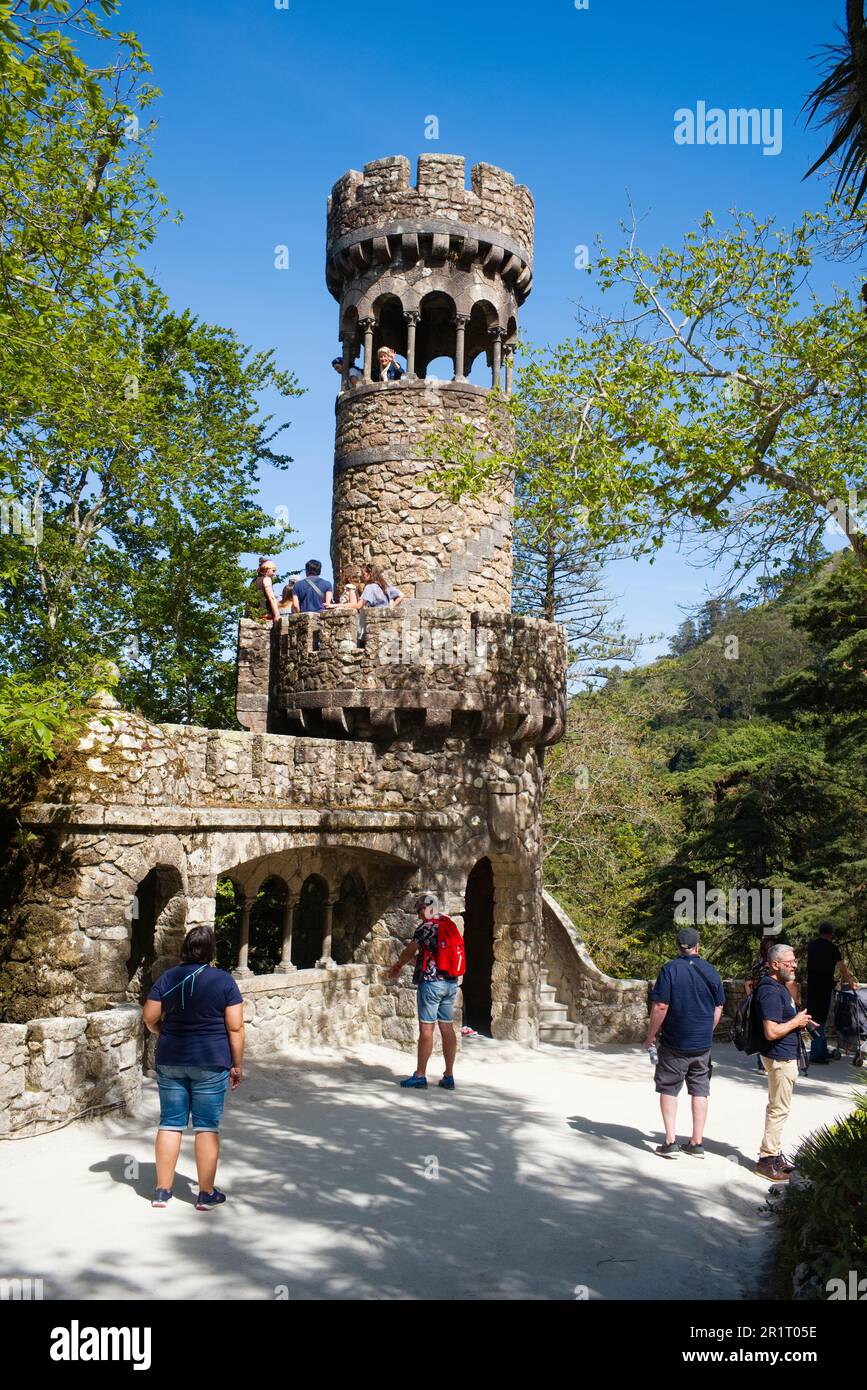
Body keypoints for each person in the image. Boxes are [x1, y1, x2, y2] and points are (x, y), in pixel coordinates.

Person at [142, 926, 245, 1211]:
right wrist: (237, 1064)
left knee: (170, 1123)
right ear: (211, 950)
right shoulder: (224, 981)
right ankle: (205, 1194)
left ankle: (162, 1191)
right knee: (206, 1127)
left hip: (171, 1058)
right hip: (211, 1060)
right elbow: (235, 1027)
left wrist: (162, 1030)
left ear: (185, 948)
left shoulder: (168, 977)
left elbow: (149, 1017)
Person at [644, 926, 725, 1159]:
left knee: (669, 1087)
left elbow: (661, 1006)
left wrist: (650, 1036)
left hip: (674, 1042)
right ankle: (697, 1142)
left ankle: (670, 1142)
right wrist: (706, 1031)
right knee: (700, 1090)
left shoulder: (669, 970)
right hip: (702, 1045)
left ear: (678, 947)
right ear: (698, 946)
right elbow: (718, 1007)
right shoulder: (711, 971)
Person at [387, 893, 464, 1090]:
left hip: (431, 984)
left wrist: (398, 965)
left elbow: (409, 951)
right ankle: (448, 1076)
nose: (419, 916)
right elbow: (433, 954)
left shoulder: (426, 928)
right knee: (447, 1027)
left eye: (419, 911)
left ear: (425, 909)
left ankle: (420, 1075)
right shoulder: (448, 924)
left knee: (427, 1029)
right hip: (450, 983)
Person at [753, 943, 813, 1182]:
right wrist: (796, 1021)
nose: (795, 965)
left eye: (795, 960)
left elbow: (781, 1021)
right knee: (778, 1110)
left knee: (778, 1108)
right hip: (780, 1057)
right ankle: (767, 1161)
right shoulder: (769, 990)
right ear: (775, 965)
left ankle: (775, 1154)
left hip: (782, 1055)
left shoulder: (778, 987)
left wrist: (801, 1021)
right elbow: (771, 1031)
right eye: (790, 962)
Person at [805, 923, 860, 1064]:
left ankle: (822, 1051)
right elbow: (842, 968)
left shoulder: (811, 946)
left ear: (820, 933)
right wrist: (851, 983)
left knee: (814, 1017)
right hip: (824, 987)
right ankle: (817, 1055)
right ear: (830, 934)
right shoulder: (832, 948)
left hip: (811, 987)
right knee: (820, 1020)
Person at [252, 559, 281, 623]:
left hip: (253, 617)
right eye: (273, 570)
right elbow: (272, 598)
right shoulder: (267, 579)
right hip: (265, 617)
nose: (274, 573)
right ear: (266, 569)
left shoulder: (253, 581)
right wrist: (277, 615)